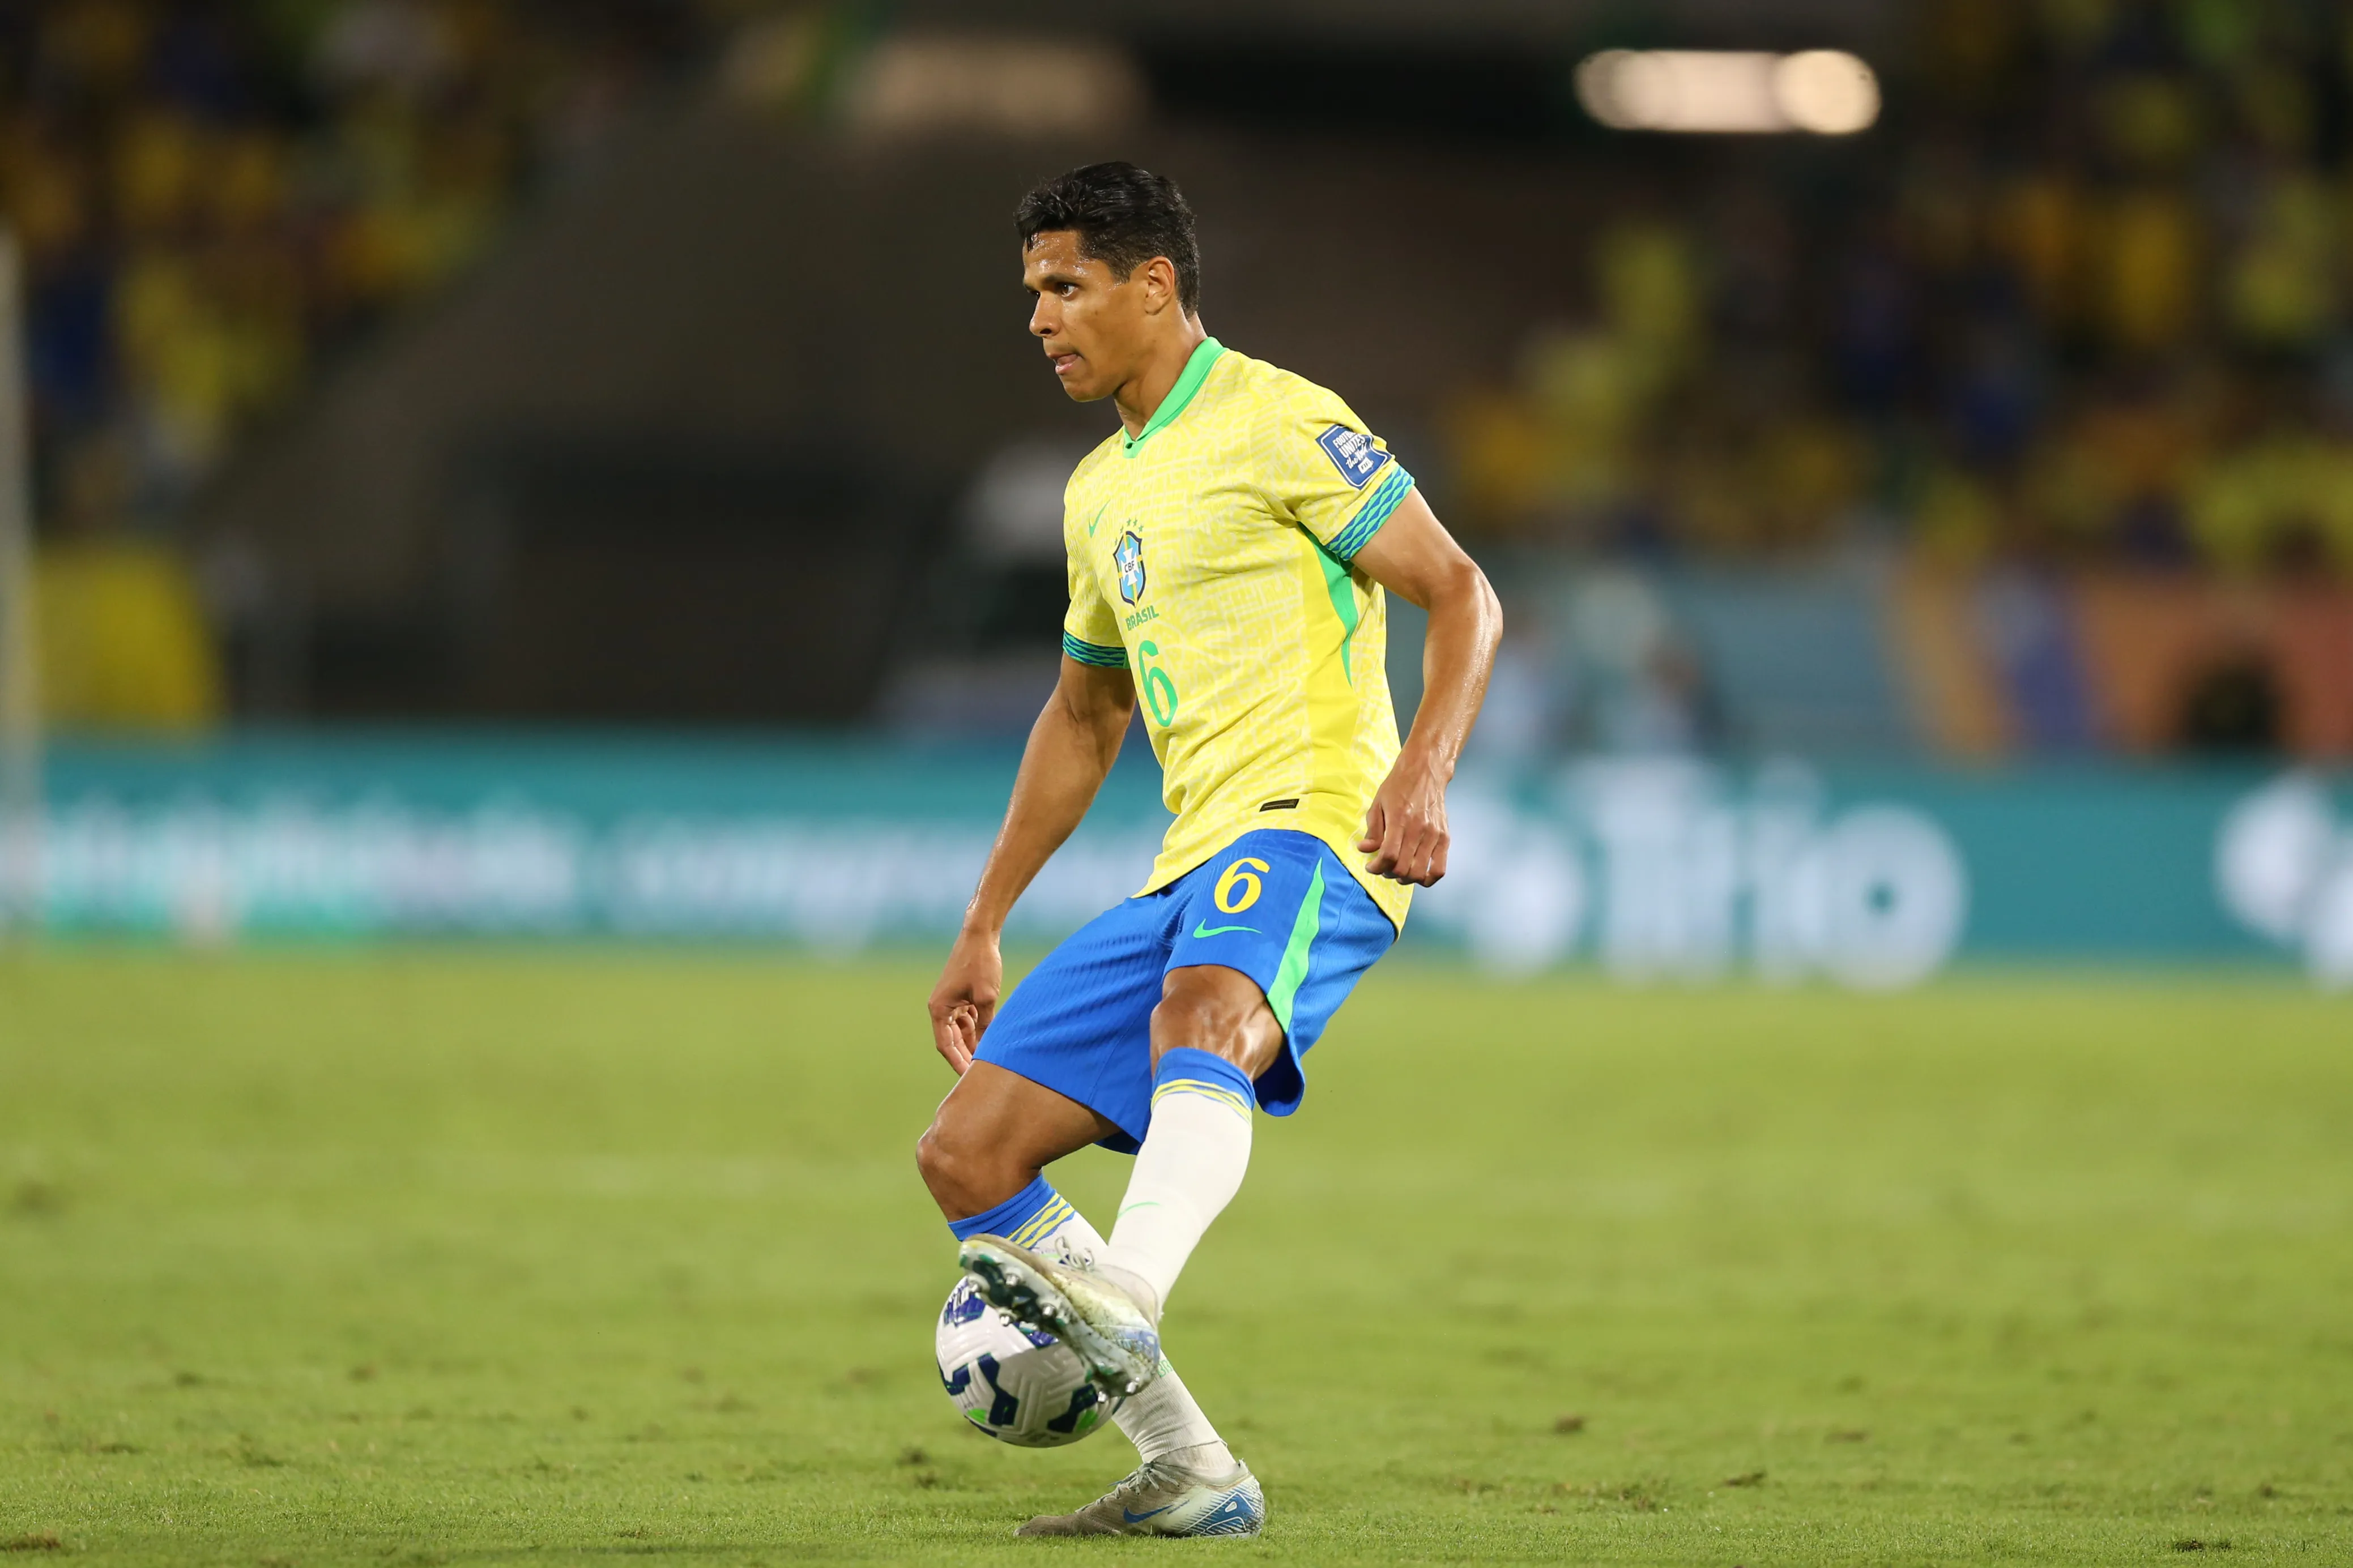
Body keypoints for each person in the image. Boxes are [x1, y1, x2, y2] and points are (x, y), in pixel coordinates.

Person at [916, 162, 1502, 1539]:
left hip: (1318, 825)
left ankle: (1123, 1294)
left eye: (1064, 286)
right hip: (1190, 865)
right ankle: (1190, 1468)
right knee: (967, 1153)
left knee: (1207, 1012)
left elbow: (1460, 591)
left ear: (1154, 284)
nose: (1041, 318)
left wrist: (1422, 767)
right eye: (1032, 295)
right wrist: (986, 917)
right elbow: (1083, 711)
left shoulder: (1283, 419)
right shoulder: (1097, 492)